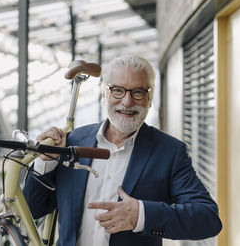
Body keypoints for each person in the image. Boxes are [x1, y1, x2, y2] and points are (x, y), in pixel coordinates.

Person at [23, 54, 222, 246]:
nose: (127, 102)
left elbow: (207, 218)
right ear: (104, 94)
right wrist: (45, 161)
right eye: (117, 90)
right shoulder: (72, 142)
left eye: (137, 92)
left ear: (150, 97)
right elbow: (31, 210)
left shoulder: (169, 152)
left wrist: (141, 215)